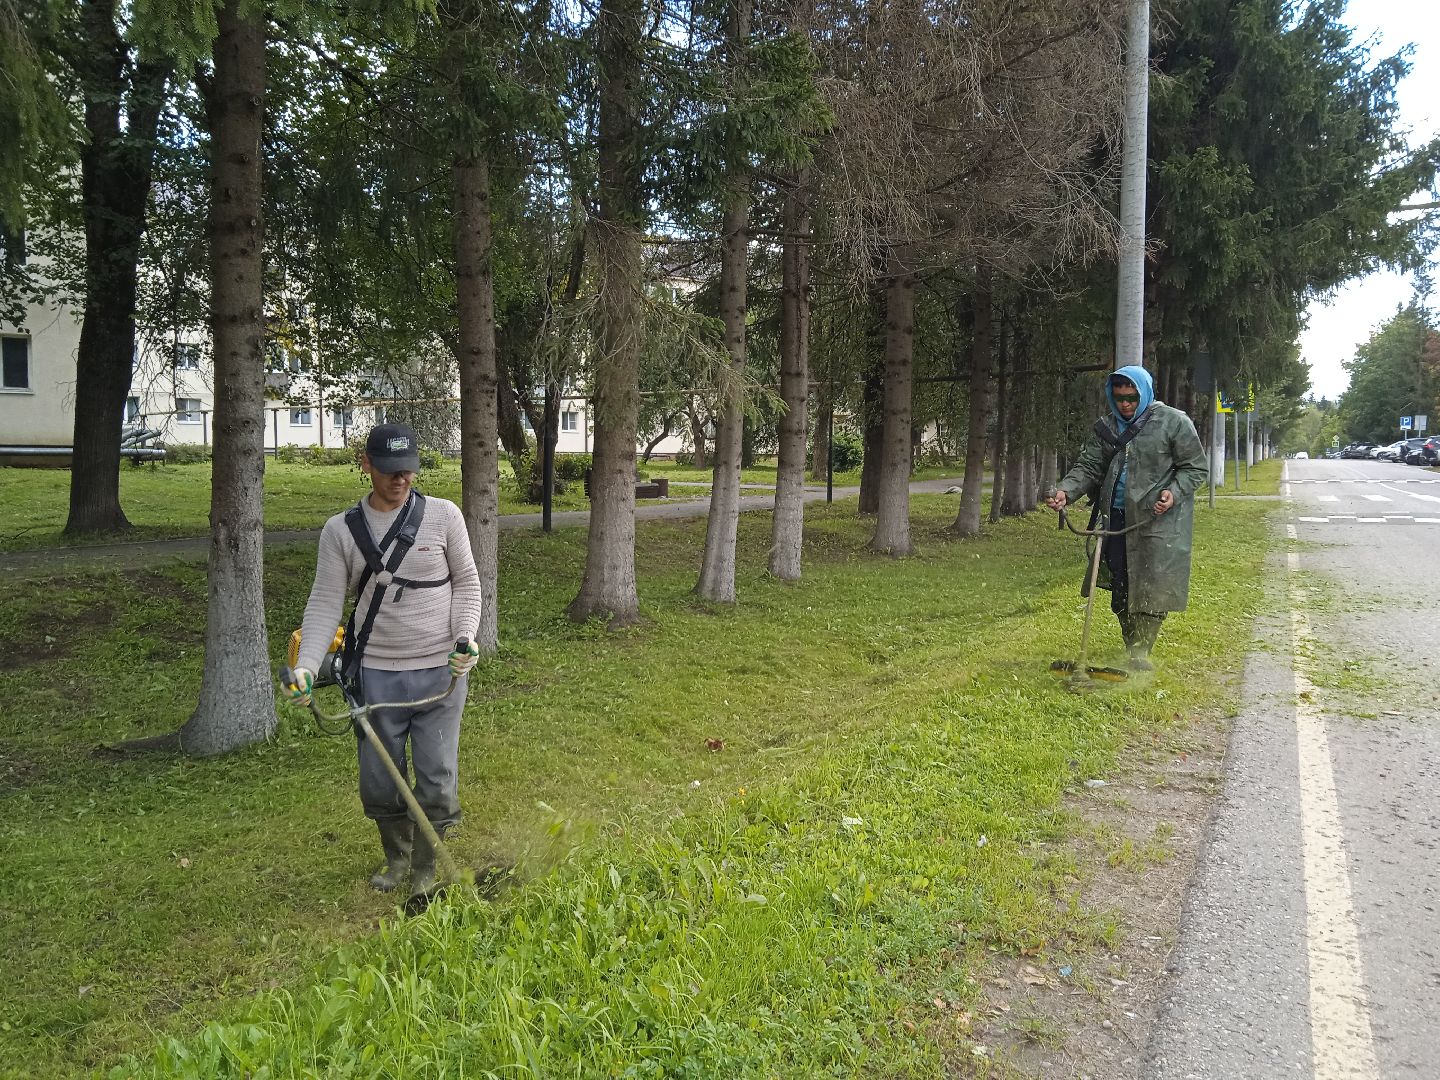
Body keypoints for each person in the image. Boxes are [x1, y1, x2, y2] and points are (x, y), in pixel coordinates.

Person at [283, 422, 482, 900]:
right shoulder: (341, 531)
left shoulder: (445, 516)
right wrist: (307, 665)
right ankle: (398, 858)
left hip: (439, 673)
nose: (401, 479)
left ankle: (426, 865)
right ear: (366, 465)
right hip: (374, 675)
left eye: (409, 470)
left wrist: (464, 639)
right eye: (390, 470)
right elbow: (324, 603)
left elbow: (467, 583)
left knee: (437, 781)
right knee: (379, 782)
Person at [1046, 365, 1208, 669]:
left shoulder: (1174, 422)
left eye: (1132, 398)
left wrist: (1173, 492)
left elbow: (1195, 467)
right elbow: (1089, 466)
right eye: (1119, 398)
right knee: (1120, 582)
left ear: (1144, 393)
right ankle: (1131, 641)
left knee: (1152, 583)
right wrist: (1066, 491)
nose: (1125, 404)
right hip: (1116, 519)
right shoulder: (1107, 427)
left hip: (1157, 521)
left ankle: (1140, 650)